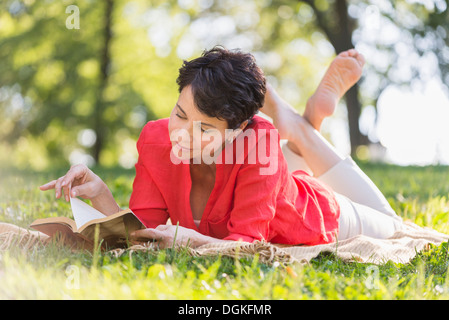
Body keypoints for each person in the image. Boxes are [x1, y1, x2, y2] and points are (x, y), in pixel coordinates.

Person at [38, 46, 404, 249]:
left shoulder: (258, 143)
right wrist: (101, 194)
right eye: (179, 114)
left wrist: (190, 239)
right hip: (270, 177)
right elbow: (141, 232)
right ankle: (303, 123)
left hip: (326, 215)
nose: (182, 134)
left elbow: (246, 246)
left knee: (395, 225)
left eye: (204, 129)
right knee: (277, 162)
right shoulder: (156, 138)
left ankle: (302, 129)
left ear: (238, 128)